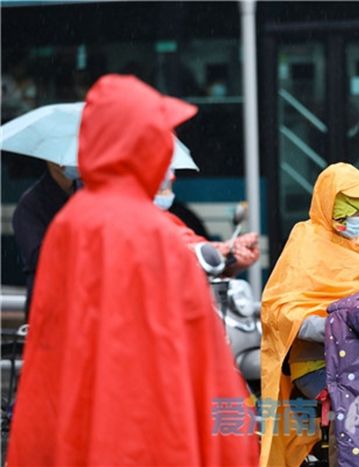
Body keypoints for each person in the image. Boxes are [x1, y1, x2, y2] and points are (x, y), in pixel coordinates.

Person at [7, 74, 258, 465]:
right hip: (149, 429)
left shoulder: (70, 224)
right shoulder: (150, 231)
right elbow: (194, 355)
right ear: (139, 144)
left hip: (85, 425)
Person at [259, 162, 359, 466]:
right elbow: (278, 308)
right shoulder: (306, 241)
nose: (358, 219)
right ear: (328, 204)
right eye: (350, 210)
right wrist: (330, 326)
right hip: (317, 363)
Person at [154, 168, 260, 275]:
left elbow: (191, 242)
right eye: (161, 188)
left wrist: (229, 256)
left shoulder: (170, 218)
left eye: (168, 187)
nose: (167, 193)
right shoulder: (145, 219)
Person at [11, 161, 80, 317]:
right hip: (48, 307)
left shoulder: (89, 194)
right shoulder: (30, 204)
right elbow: (38, 257)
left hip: (85, 304)